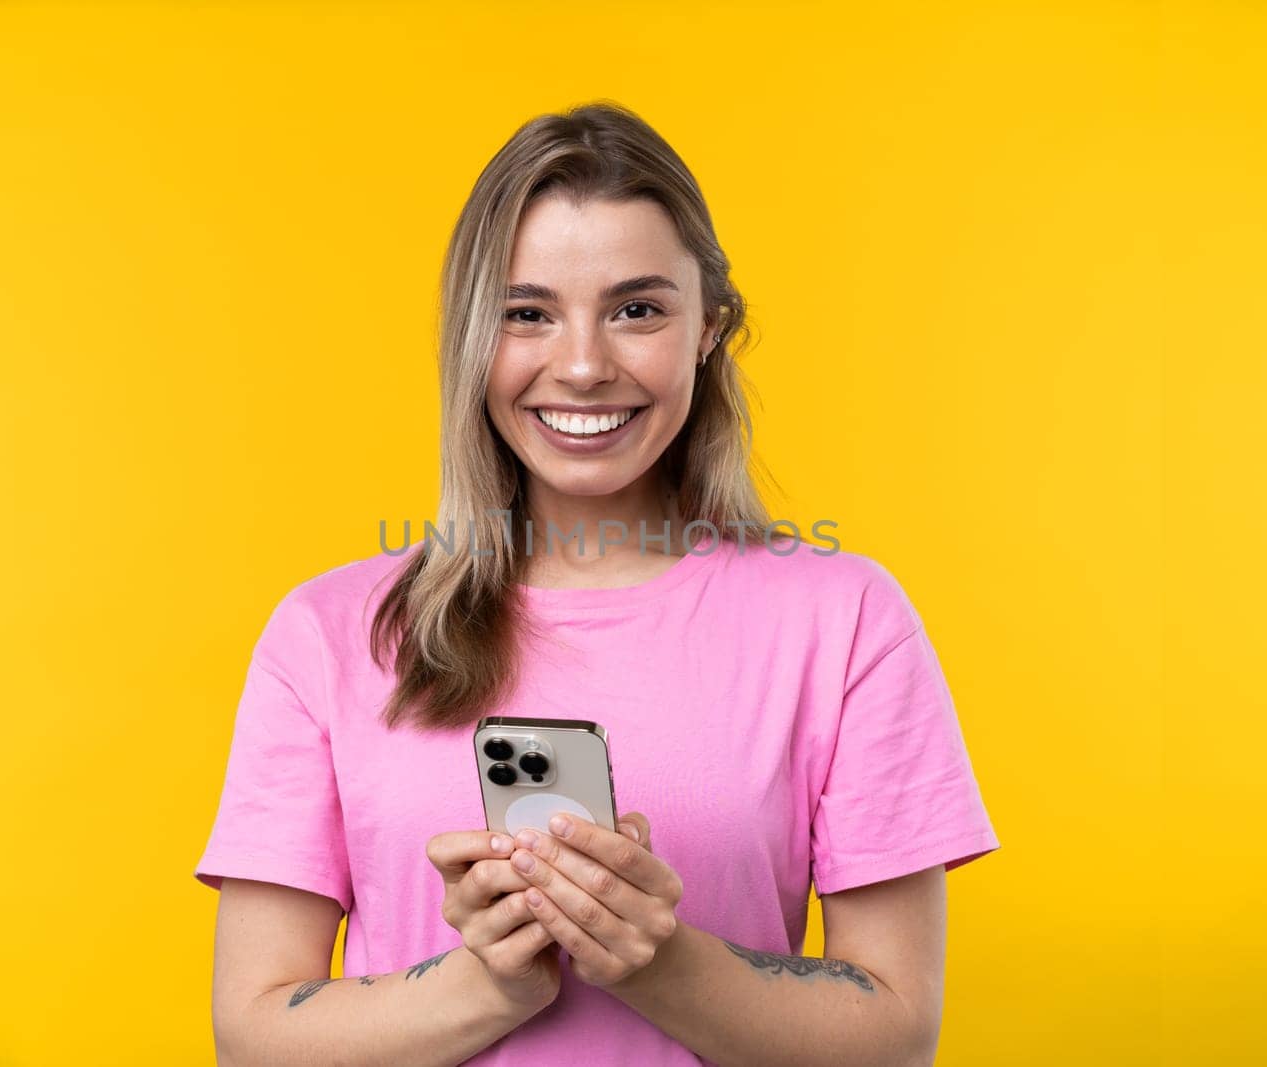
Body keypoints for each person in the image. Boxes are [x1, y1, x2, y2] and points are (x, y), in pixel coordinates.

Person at [194, 100, 1000, 1067]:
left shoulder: (847, 621)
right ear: (470, 339)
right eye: (525, 313)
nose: (581, 366)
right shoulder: (329, 635)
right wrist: (483, 984)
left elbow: (897, 1034)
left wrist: (659, 966)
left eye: (637, 309)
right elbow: (252, 1034)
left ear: (710, 328)